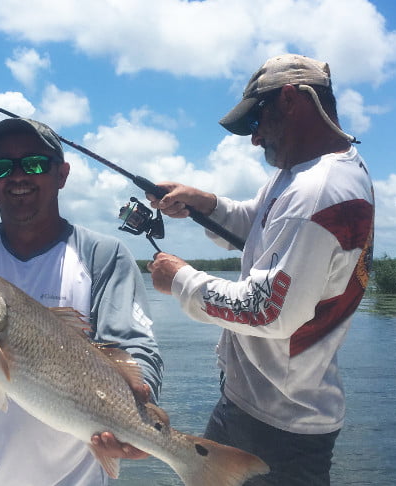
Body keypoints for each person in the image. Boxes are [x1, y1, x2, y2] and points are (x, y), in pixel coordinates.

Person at [0, 117, 163, 486]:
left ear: (62, 174)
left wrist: (138, 418)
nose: (18, 176)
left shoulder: (104, 255)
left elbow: (133, 350)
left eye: (35, 164)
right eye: (1, 167)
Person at [145, 54, 374, 485]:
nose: (254, 140)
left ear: (290, 100)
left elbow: (268, 311)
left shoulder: (317, 191)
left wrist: (179, 279)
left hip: (280, 430)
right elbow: (258, 223)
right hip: (250, 401)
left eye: (256, 122)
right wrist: (204, 203)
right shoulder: (305, 176)